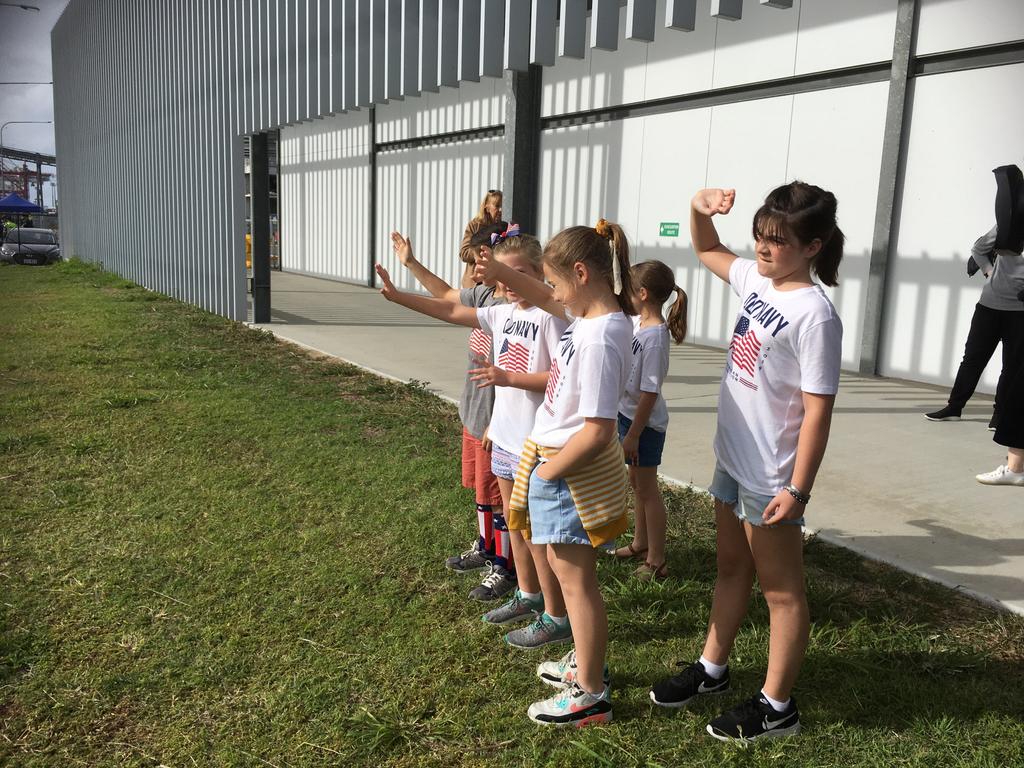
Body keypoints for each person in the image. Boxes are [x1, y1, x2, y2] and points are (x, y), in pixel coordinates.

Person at [649, 183, 843, 743]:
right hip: (732, 459)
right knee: (731, 568)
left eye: (778, 241)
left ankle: (778, 706)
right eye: (759, 235)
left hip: (772, 475)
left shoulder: (814, 315)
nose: (762, 248)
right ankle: (712, 670)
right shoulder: (759, 279)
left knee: (782, 592)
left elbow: (817, 414)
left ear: (813, 246)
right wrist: (695, 208)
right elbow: (709, 251)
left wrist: (798, 490)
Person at [378, 226, 574, 647]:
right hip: (503, 437)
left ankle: (556, 616)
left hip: (534, 444)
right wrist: (399, 298)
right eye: (504, 275)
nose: (511, 283)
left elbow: (559, 380)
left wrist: (509, 377)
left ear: (539, 272)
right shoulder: (501, 312)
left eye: (519, 272)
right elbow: (449, 310)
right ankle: (527, 594)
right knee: (515, 527)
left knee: (539, 534)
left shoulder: (552, 316)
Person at [476, 218, 635, 727]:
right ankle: (588, 667)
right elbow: (541, 292)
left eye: (559, 284)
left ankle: (590, 693)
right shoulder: (589, 317)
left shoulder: (599, 337)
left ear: (583, 273)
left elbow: (597, 429)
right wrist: (498, 268)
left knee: (576, 583)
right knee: (570, 581)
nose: (554, 297)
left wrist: (548, 475)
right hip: (554, 464)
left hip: (565, 472)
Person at [385, 224, 517, 601]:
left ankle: (504, 566)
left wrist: (495, 420)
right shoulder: (486, 293)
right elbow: (445, 295)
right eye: (476, 263)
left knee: (497, 498)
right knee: (480, 490)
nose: (476, 269)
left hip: (495, 421)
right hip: (474, 413)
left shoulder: (509, 308)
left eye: (482, 262)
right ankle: (485, 546)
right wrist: (410, 264)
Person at [613, 260, 688, 580]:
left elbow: (649, 392)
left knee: (647, 489)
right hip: (628, 417)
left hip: (644, 425)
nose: (623, 295)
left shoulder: (655, 337)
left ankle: (657, 560)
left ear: (642, 294)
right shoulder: (637, 324)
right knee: (636, 483)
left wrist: (633, 435)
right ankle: (641, 543)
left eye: (629, 291)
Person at [974, 165, 1024, 487]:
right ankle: (1016, 466)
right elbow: (979, 247)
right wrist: (990, 272)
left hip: (1019, 309)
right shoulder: (1010, 226)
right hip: (995, 304)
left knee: (1018, 383)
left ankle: (1016, 468)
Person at [459, 190, 503, 288]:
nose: (500, 210)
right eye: (497, 206)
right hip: (474, 285)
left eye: (502, 206)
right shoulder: (474, 225)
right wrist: (479, 252)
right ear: (487, 208)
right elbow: (464, 253)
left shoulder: (506, 228)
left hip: (495, 284)